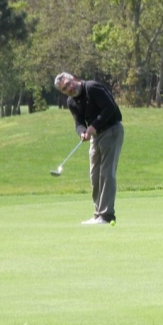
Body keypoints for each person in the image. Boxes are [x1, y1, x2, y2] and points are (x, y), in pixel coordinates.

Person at [54, 72, 124, 225]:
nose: (69, 89)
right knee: (94, 175)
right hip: (95, 136)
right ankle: (98, 213)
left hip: (111, 130)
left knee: (106, 173)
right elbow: (78, 123)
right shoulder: (71, 102)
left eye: (69, 84)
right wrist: (82, 133)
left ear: (74, 79)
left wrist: (93, 126)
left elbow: (110, 108)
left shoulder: (91, 87)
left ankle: (107, 216)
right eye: (64, 89)